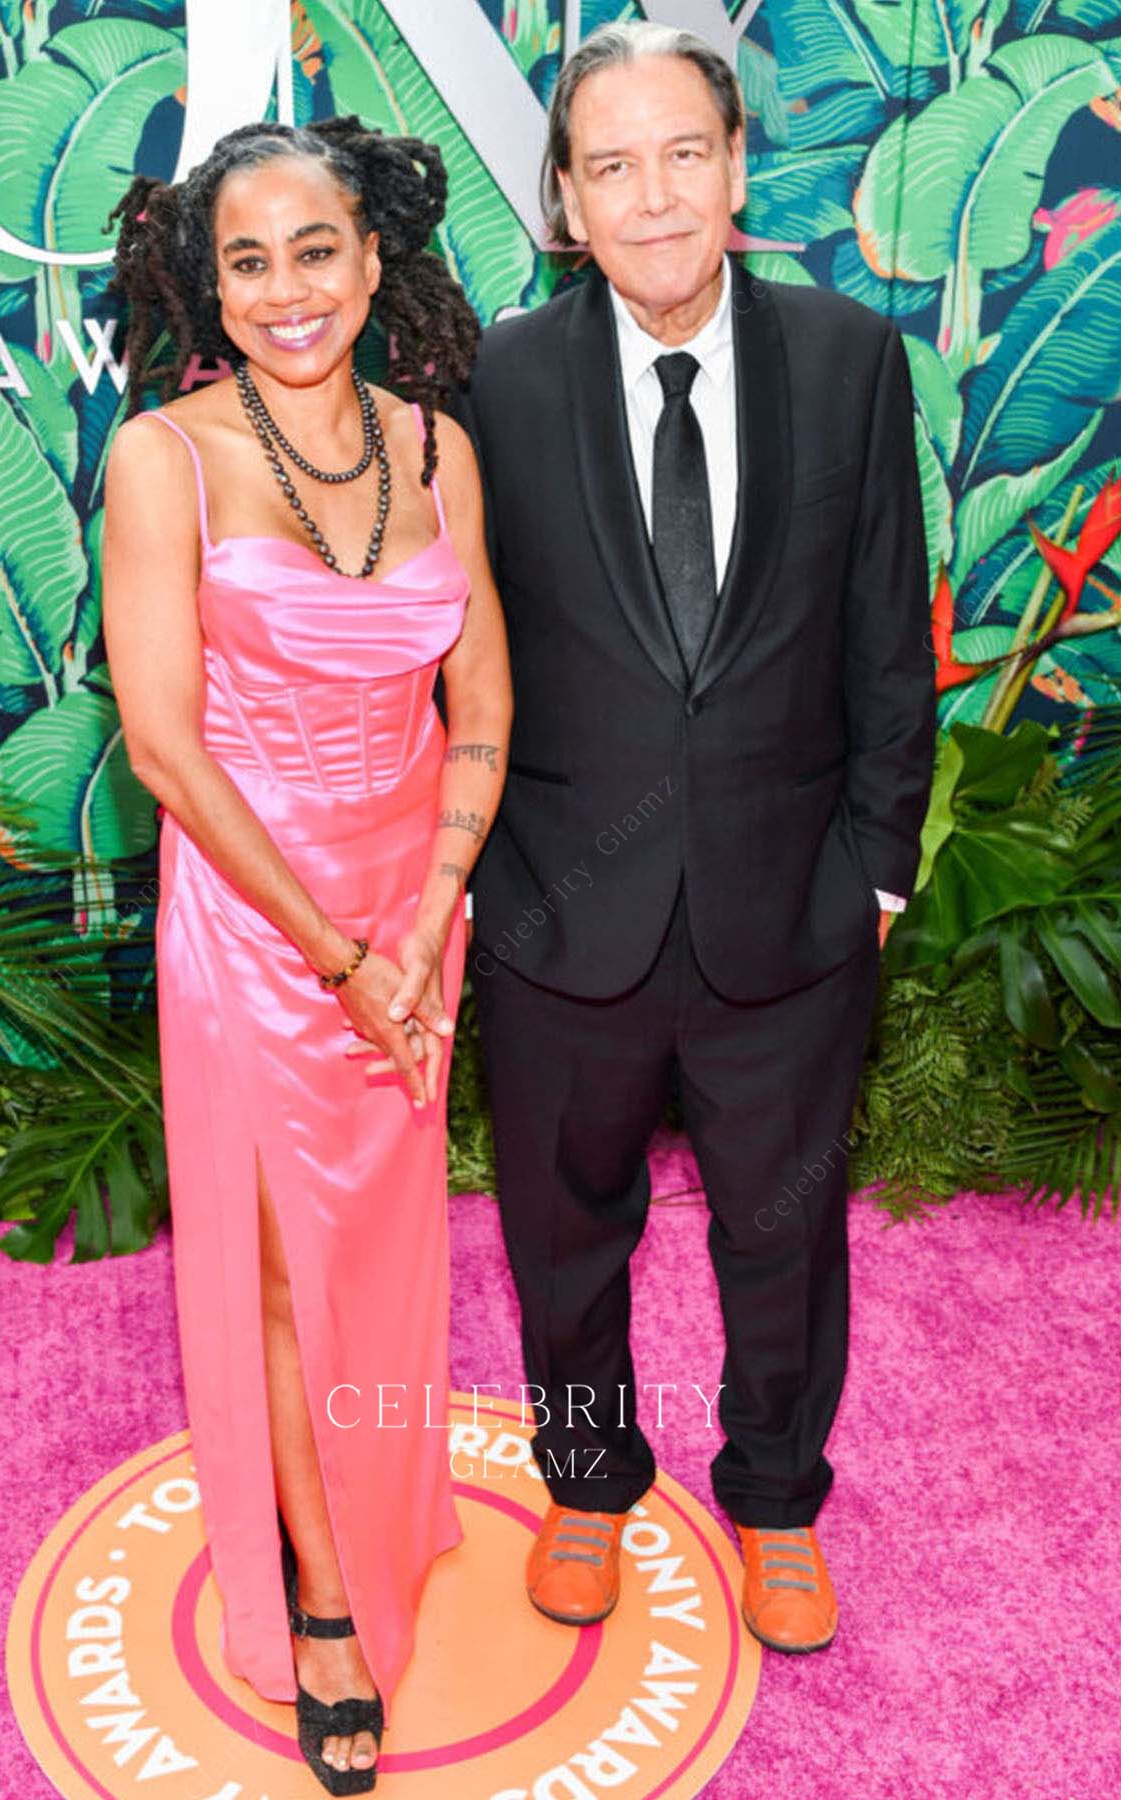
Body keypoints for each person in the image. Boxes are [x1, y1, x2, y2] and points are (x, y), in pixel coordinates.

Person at [461, 23, 935, 1656]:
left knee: (783, 1226)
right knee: (561, 1222)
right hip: (558, 914)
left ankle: (781, 1498)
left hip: (788, 910)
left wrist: (880, 868)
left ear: (737, 170)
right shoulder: (499, 380)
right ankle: (587, 1484)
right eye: (611, 165)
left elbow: (888, 637)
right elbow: (464, 650)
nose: (652, 196)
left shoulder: (850, 358)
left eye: (683, 155)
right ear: (567, 201)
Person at [102, 117, 511, 1793]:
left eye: (316, 250)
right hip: (260, 922)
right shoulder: (166, 458)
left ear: (372, 258)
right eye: (248, 260)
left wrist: (425, 917)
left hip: (414, 914)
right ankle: (325, 1605)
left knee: (392, 1245)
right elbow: (164, 756)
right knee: (281, 1262)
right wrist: (341, 950)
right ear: (211, 281)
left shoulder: (435, 449)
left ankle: (385, 1505)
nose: (287, 291)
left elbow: (479, 704)